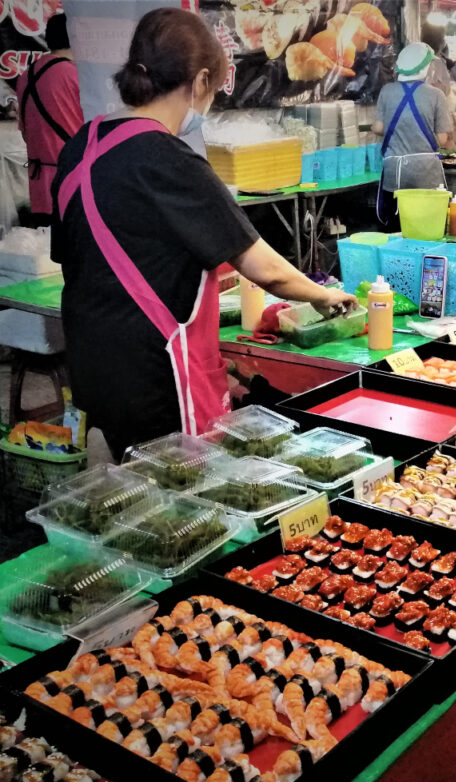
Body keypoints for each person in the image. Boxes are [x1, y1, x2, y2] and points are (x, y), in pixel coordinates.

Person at [51, 9, 355, 459]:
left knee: (127, 503)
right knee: (180, 504)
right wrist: (323, 295)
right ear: (200, 80)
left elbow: (83, 253)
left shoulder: (82, 144)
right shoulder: (168, 158)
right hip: (156, 373)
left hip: (91, 362)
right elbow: (263, 268)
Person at [372, 42, 453, 225]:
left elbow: (377, 128)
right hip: (425, 174)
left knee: (396, 228)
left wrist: (400, 129)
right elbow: (441, 138)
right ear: (424, 67)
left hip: (395, 173)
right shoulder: (436, 95)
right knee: (426, 227)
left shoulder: (387, 91)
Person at [16, 14, 83, 227]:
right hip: (72, 181)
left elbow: (25, 129)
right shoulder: (75, 74)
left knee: (47, 252)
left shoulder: (27, 74)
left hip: (39, 186)